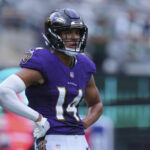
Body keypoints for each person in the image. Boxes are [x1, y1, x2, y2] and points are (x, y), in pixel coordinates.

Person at [0, 8, 103, 150]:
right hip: (52, 140)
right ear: (54, 34)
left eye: (77, 32)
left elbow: (96, 104)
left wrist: (84, 123)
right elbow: (3, 92)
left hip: (80, 141)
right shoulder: (43, 62)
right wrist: (38, 118)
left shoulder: (84, 65)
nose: (74, 37)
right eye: (67, 32)